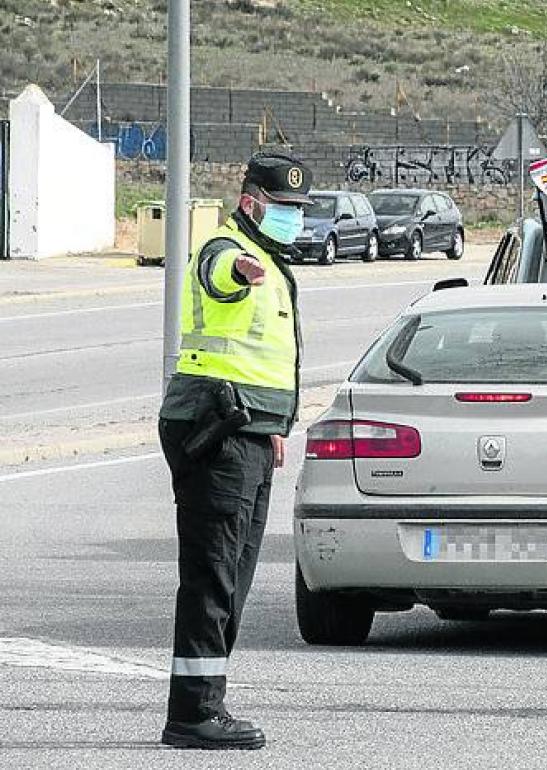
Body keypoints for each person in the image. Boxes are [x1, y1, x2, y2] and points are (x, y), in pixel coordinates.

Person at [157, 151, 312, 750]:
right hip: (216, 430)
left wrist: (273, 424)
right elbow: (217, 272)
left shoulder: (274, 263)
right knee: (213, 573)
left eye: (298, 209)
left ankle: (206, 703)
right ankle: (191, 712)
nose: (293, 219)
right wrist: (239, 268)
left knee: (235, 576)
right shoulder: (227, 249)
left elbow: (260, 362)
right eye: (283, 208)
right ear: (251, 204)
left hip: (249, 431)